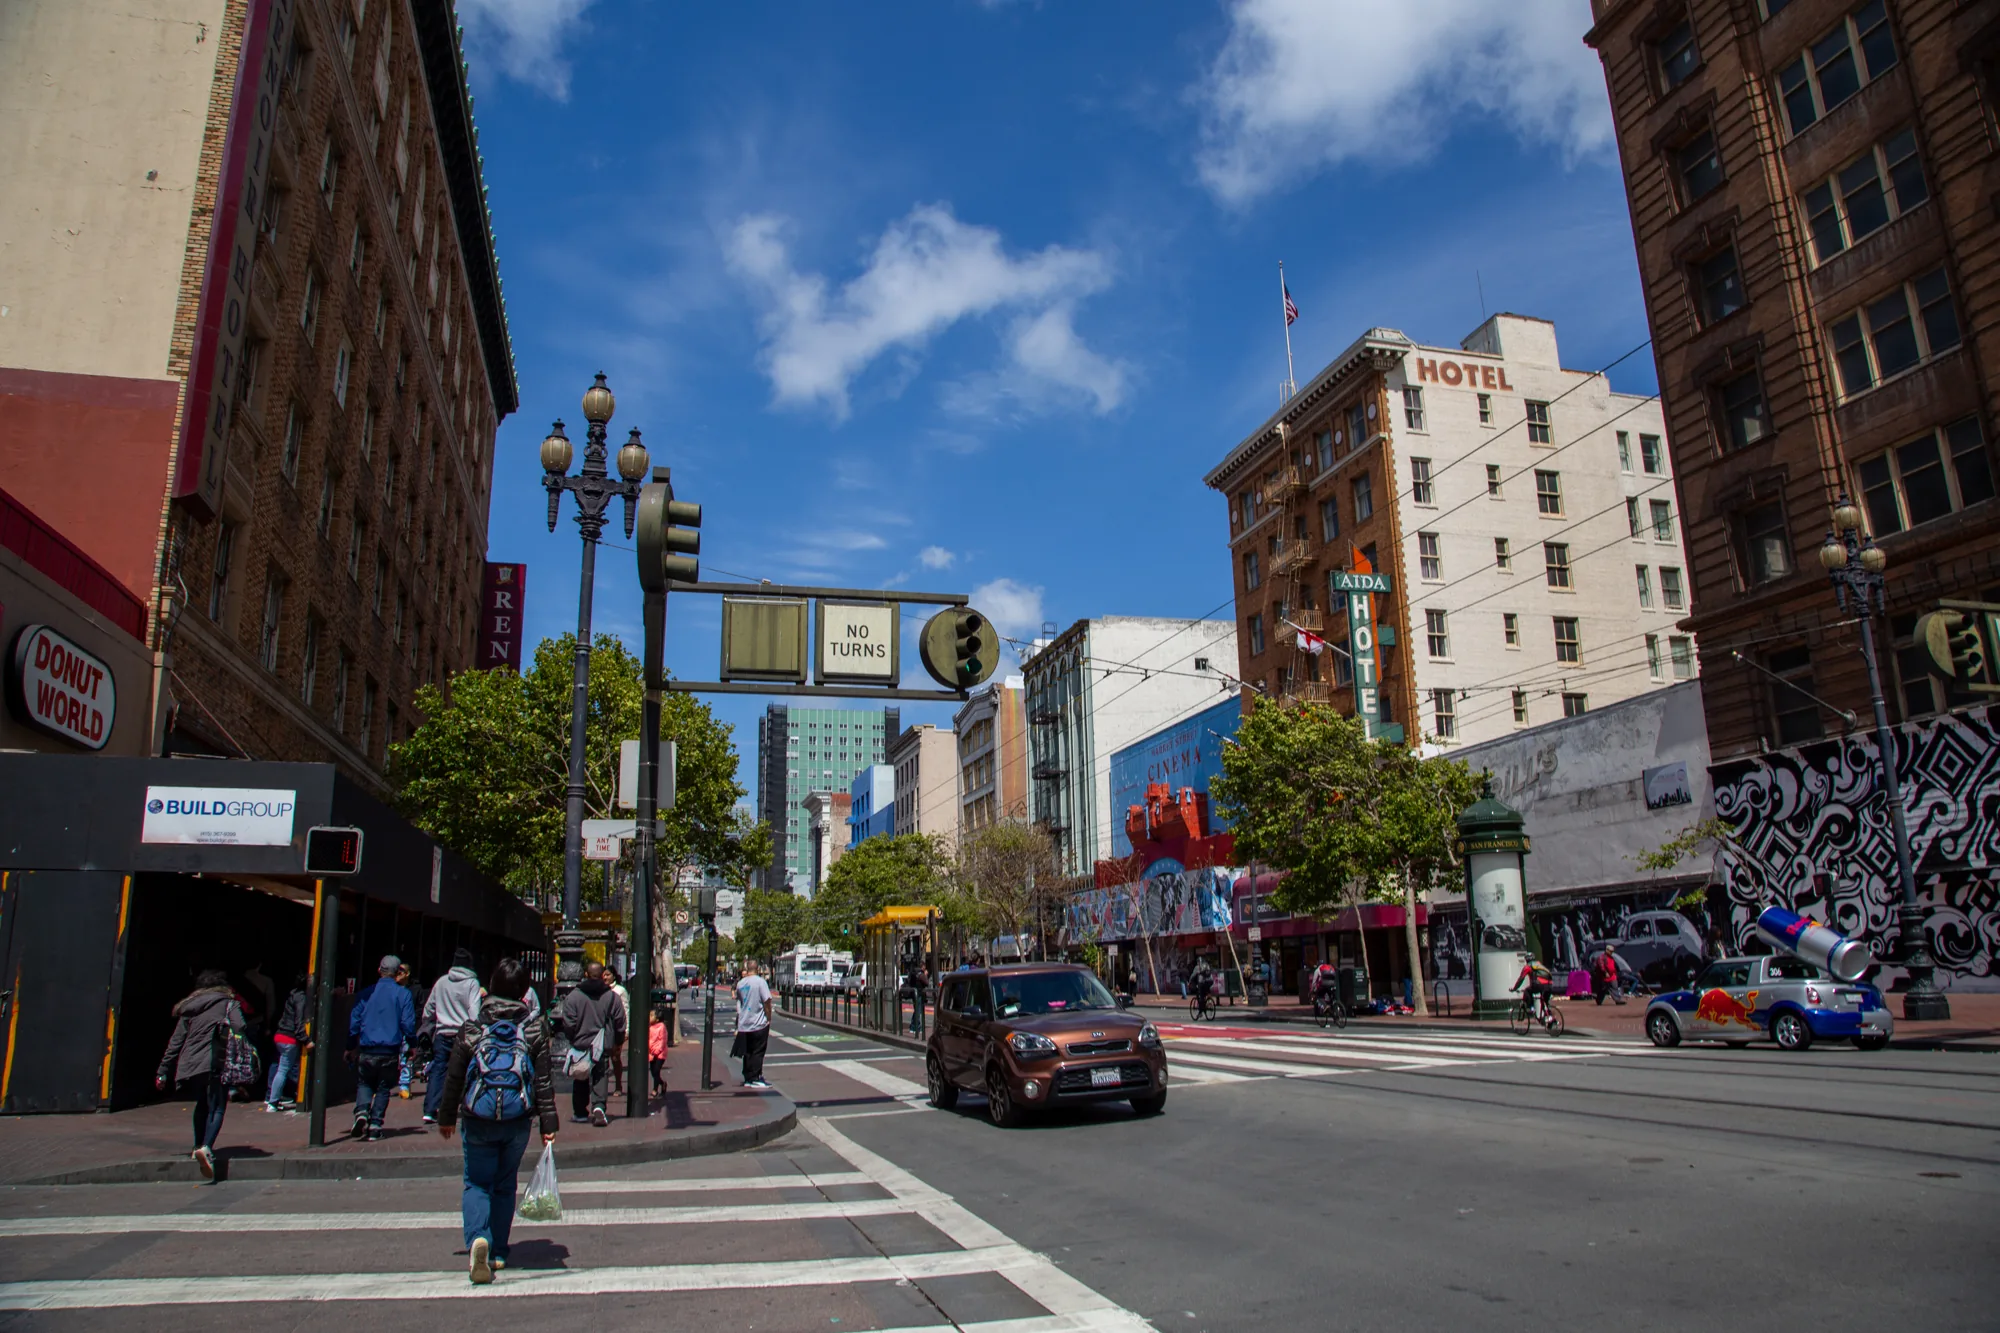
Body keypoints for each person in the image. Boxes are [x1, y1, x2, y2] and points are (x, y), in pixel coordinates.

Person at [437, 957, 558, 1285]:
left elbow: (454, 1078)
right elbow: (543, 1082)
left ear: (489, 988)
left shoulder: (472, 1029)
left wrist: (446, 1117)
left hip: (478, 1117)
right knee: (505, 1184)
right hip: (517, 1120)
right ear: (524, 993)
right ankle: (499, 1251)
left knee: (476, 1182)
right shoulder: (534, 1029)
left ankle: (479, 1237)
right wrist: (549, 1125)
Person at [156, 970, 246, 1179]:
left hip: (191, 1064)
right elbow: (240, 1026)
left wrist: (163, 1070)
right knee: (217, 1106)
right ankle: (206, 1148)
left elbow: (176, 1041)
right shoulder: (228, 1004)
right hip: (216, 1061)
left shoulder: (190, 1009)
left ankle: (197, 1144)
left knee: (202, 1103)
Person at [348, 955, 417, 1139]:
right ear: (397, 973)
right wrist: (413, 1045)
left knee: (364, 1083)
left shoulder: (366, 994)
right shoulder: (403, 994)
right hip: (390, 1050)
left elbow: (354, 1022)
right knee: (383, 1087)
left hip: (367, 1048)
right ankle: (375, 1125)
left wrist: (350, 1047)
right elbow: (408, 1024)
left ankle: (362, 1111)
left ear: (379, 970)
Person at [553, 961, 625, 1126]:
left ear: (586, 974)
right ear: (602, 975)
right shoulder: (611, 997)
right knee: (600, 1074)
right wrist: (618, 1040)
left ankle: (580, 1112)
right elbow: (620, 1021)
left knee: (580, 1076)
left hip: (581, 1042)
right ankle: (599, 1105)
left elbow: (569, 1022)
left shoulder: (574, 996)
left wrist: (572, 1037)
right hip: (602, 1043)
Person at [422, 949, 484, 1126]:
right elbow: (474, 1012)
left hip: (442, 1033)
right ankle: (466, 1105)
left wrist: (430, 1021)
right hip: (462, 1033)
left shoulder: (441, 982)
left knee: (438, 1070)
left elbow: (428, 1009)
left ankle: (430, 1109)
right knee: (465, 1070)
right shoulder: (472, 983)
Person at [264, 973, 311, 1112]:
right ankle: (273, 1101)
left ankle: (272, 1098)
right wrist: (306, 1040)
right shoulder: (301, 998)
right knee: (284, 1069)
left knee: (282, 1067)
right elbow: (299, 1022)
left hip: (280, 1035)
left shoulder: (292, 995)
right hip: (290, 1038)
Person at [735, 959, 773, 1089]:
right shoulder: (760, 982)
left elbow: (740, 1001)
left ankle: (748, 1077)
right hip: (758, 1022)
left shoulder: (740, 984)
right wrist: (769, 1017)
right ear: (757, 969)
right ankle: (756, 1077)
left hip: (744, 1022)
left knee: (748, 1052)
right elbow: (767, 1001)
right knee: (758, 1051)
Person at [603, 968, 631, 1096]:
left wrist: (626, 1030)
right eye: (603, 975)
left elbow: (626, 1010)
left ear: (613, 976)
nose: (605, 977)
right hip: (602, 1029)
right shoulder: (600, 990)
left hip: (615, 1030)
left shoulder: (620, 991)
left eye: (608, 975)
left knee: (615, 1058)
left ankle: (618, 1086)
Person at [1512, 956, 1556, 1023]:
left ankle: (1531, 1008)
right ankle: (1550, 1019)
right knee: (1545, 1003)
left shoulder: (1528, 967)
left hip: (1539, 985)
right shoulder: (1539, 964)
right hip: (1549, 985)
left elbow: (1521, 979)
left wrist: (1514, 988)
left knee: (1527, 991)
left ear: (1526, 960)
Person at [647, 1006, 669, 1097]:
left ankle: (655, 1090)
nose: (649, 1017)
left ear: (657, 1019)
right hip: (651, 1053)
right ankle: (662, 1083)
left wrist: (656, 1051)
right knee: (653, 1072)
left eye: (651, 1015)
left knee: (656, 1070)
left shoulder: (662, 1027)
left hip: (660, 1054)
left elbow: (662, 1041)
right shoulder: (650, 1027)